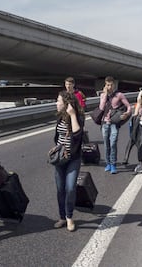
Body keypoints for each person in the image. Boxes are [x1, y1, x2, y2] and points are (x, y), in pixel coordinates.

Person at [52, 90, 84, 232]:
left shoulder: (77, 117)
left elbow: (77, 135)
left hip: (73, 158)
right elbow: (57, 136)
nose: (56, 103)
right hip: (60, 158)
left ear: (66, 103)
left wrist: (72, 115)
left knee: (70, 188)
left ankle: (69, 216)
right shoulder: (59, 116)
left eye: (58, 100)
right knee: (60, 189)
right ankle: (62, 217)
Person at [99, 76, 131, 174]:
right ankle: (108, 163)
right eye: (107, 85)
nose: (109, 87)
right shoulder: (103, 95)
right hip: (104, 122)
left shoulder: (119, 95)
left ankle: (113, 164)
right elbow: (101, 108)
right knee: (106, 144)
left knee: (113, 143)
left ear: (114, 84)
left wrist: (127, 113)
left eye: (111, 85)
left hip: (114, 123)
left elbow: (128, 106)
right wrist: (104, 95)